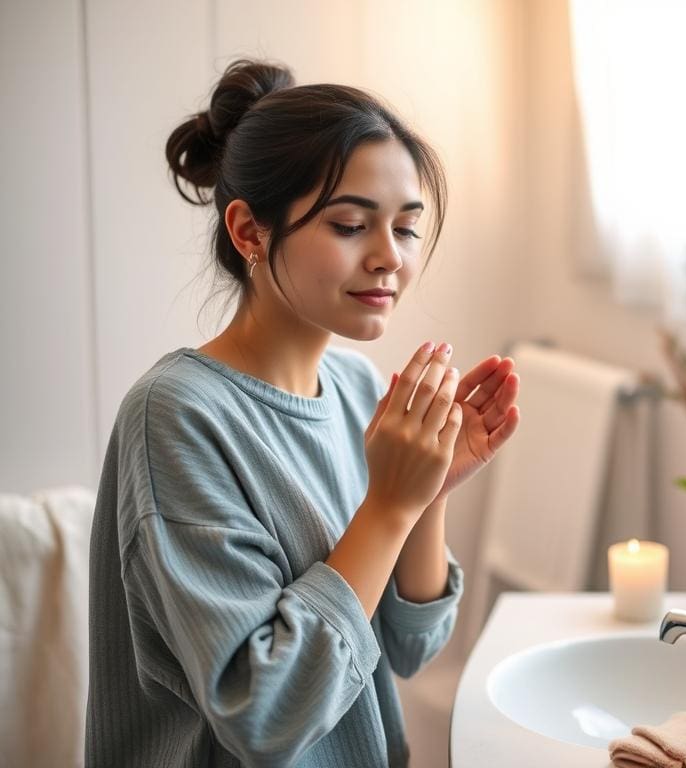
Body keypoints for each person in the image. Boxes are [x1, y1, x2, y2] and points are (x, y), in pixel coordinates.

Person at [85, 58, 521, 768]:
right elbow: (265, 714)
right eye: (351, 224)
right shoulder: (174, 417)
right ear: (250, 232)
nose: (389, 258)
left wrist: (426, 492)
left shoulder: (353, 385)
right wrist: (387, 503)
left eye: (407, 229)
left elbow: (408, 649)